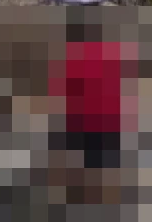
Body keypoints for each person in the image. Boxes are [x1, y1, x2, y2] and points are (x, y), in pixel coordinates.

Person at [48, 23, 132, 204]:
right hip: (107, 120)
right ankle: (106, 198)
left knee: (81, 168)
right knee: (106, 167)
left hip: (80, 121)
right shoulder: (112, 50)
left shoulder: (69, 53)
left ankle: (84, 198)